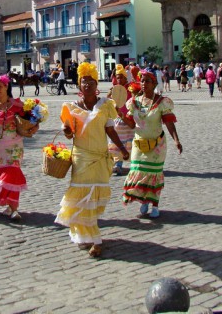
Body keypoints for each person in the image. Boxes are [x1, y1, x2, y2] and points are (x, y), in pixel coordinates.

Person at [56, 63, 130, 258]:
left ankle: (85, 231)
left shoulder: (105, 105)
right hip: (81, 157)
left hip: (99, 157)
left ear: (96, 83)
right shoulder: (71, 108)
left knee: (93, 197)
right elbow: (70, 134)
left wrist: (122, 149)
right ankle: (95, 239)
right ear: (79, 85)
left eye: (90, 81)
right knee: (82, 195)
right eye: (83, 81)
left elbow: (110, 130)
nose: (87, 84)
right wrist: (66, 131)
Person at [119, 69, 182, 219]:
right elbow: (131, 124)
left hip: (157, 145)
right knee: (138, 172)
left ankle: (155, 204)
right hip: (139, 144)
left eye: (147, 81)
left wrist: (176, 140)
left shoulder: (162, 102)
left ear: (154, 84)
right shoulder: (133, 103)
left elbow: (169, 123)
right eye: (142, 80)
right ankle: (143, 200)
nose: (144, 83)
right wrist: (120, 114)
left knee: (153, 174)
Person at [0, 75, 38, 221]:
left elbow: (32, 117)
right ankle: (10, 205)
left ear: (7, 87)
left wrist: (34, 127)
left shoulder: (15, 105)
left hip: (15, 143)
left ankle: (14, 209)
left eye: (0, 86)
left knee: (13, 171)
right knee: (2, 173)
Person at [107, 65, 135, 176]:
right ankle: (118, 164)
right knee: (115, 141)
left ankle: (135, 164)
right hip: (117, 118)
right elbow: (107, 101)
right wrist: (110, 93)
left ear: (125, 78)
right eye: (117, 78)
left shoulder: (130, 88)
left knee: (130, 141)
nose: (119, 80)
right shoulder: (115, 89)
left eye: (121, 77)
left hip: (129, 118)